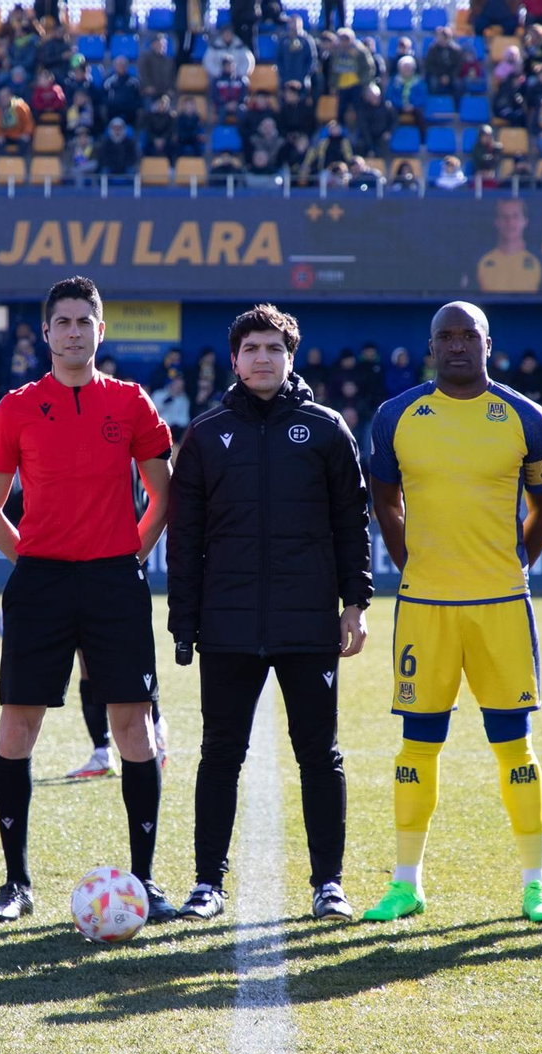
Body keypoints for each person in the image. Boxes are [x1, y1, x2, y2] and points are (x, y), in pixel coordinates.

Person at [0, 276, 177, 924]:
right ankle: (16, 885)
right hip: (41, 583)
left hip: (116, 579)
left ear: (101, 330)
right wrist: (34, 557)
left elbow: (162, 496)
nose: (73, 332)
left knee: (133, 729)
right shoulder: (18, 407)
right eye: (62, 322)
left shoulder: (133, 402)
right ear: (45, 333)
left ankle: (143, 883)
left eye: (85, 321)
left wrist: (128, 555)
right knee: (18, 727)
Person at [362, 302, 542, 926]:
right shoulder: (396, 417)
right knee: (418, 744)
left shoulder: (527, 418)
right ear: (431, 346)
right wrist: (409, 562)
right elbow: (384, 501)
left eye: (467, 335)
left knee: (514, 746)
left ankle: (537, 885)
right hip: (425, 606)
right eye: (444, 336)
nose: (456, 345)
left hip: (502, 605)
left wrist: (517, 562)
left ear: (487, 343)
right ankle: (406, 883)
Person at [166, 304, 372, 923]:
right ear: (234, 359)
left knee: (320, 754)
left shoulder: (327, 428)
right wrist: (184, 621)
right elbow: (186, 536)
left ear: (290, 358)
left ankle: (328, 884)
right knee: (221, 753)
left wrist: (355, 604)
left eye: (273, 349)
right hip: (228, 623)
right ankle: (207, 884)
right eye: (251, 348)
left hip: (307, 620)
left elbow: (350, 524)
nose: (262, 358)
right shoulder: (205, 433)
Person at [473, 199, 542, 293]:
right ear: (496, 222)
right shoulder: (479, 261)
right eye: (504, 217)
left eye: (515, 216)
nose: (510, 222)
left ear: (525, 221)